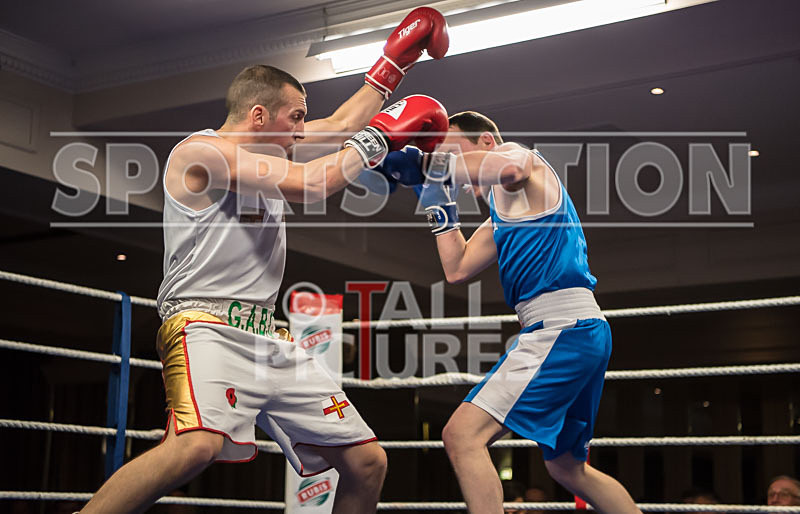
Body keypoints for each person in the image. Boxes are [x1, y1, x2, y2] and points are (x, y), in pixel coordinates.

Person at [79, 8, 449, 514]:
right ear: (259, 115)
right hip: (203, 324)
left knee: (368, 462)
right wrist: (378, 140)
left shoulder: (275, 150)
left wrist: (392, 64)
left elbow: (342, 125)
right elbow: (313, 184)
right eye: (295, 116)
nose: (302, 130)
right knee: (195, 445)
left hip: (267, 336)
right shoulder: (202, 153)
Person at [377, 111, 641, 513]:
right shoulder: (502, 213)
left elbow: (512, 165)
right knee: (568, 467)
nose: (458, 171)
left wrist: (432, 164)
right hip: (576, 330)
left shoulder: (521, 160)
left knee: (462, 436)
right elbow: (457, 268)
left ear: (486, 143)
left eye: (455, 154)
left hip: (562, 329)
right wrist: (432, 196)